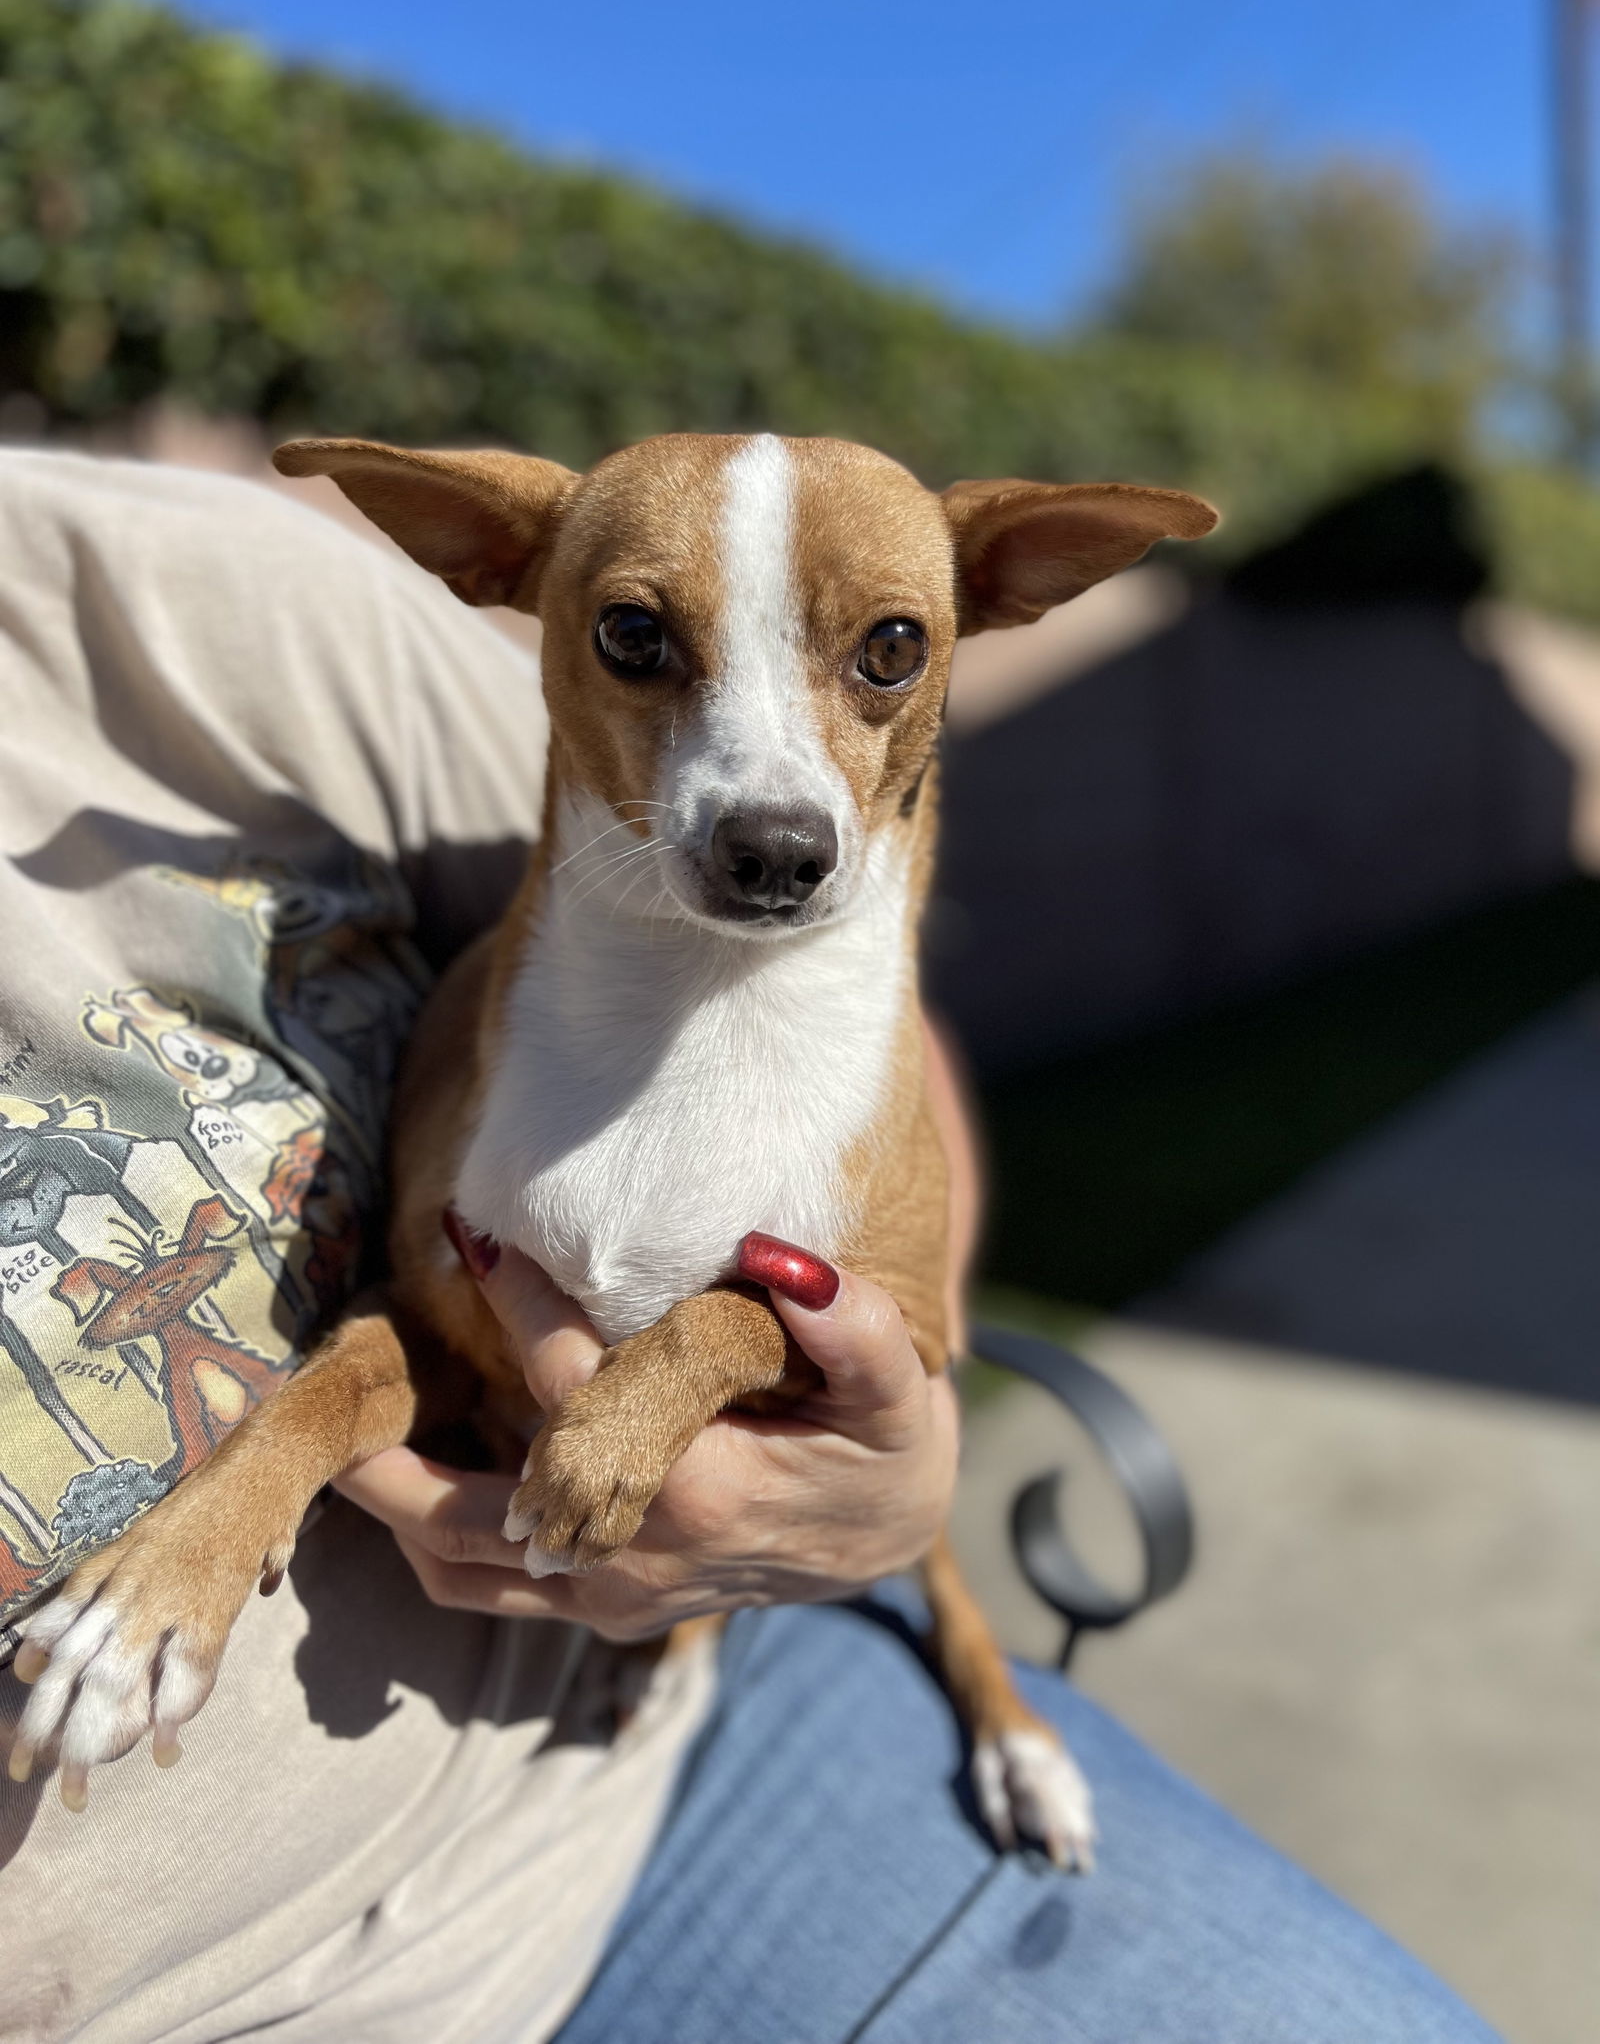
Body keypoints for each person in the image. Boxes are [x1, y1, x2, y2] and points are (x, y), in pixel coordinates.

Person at [0, 450, 1499, 2044]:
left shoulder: (175, 594)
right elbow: (418, 1329)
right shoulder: (507, 990)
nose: (776, 799)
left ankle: (985, 1687)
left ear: (1000, 588)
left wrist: (860, 1437)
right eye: (645, 644)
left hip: (693, 1761)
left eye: (883, 654)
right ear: (501, 560)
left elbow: (899, 1150)